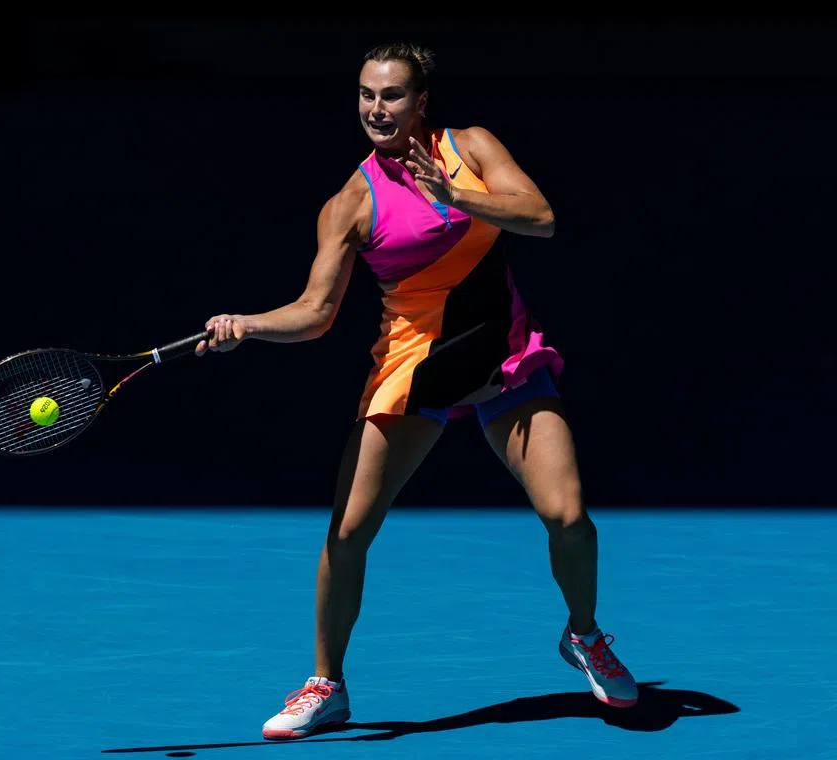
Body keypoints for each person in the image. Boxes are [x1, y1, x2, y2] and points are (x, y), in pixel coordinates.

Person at [194, 42, 639, 740]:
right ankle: (326, 684)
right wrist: (247, 325)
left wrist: (454, 194)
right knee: (347, 532)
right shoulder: (348, 204)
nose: (377, 108)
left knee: (569, 517)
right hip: (415, 369)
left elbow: (542, 217)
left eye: (393, 95)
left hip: (503, 357)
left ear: (420, 101)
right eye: (367, 95)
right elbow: (314, 315)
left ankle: (583, 635)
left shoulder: (472, 147)